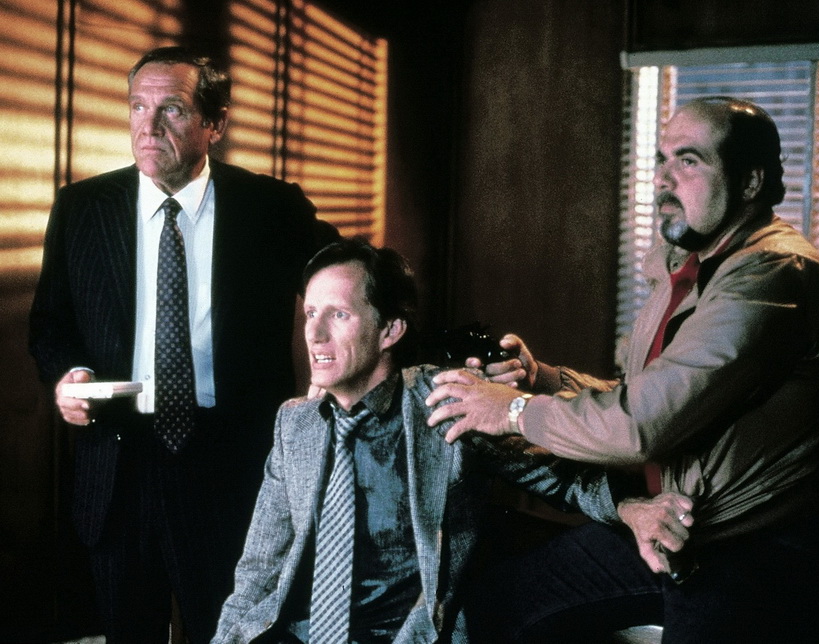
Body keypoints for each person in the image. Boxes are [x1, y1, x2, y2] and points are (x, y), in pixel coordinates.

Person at [426, 97, 819, 643]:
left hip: (779, 551)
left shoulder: (772, 276)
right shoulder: (694, 266)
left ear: (750, 182)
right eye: (662, 159)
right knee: (500, 605)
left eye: (688, 161)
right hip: (688, 527)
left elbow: (641, 424)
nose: (663, 178)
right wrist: (541, 378)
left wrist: (513, 411)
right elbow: (647, 394)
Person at [212, 238, 674, 644]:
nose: (314, 334)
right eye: (311, 313)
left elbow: (563, 478)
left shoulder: (446, 401)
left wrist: (629, 507)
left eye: (338, 314)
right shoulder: (296, 424)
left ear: (390, 330)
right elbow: (259, 570)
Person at [28, 46, 338, 643]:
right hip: (119, 463)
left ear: (214, 124)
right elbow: (50, 324)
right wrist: (67, 375)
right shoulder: (82, 207)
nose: (147, 126)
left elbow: (359, 285)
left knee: (231, 633)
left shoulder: (271, 208)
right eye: (137, 107)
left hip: (231, 465)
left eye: (170, 109)